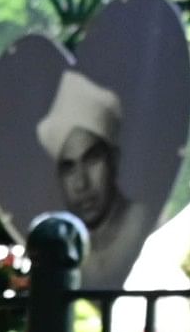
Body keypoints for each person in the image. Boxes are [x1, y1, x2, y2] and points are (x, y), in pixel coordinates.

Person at [32, 69, 141, 281]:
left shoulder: (147, 227)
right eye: (68, 168)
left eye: (92, 160)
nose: (81, 183)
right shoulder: (66, 248)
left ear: (114, 159)